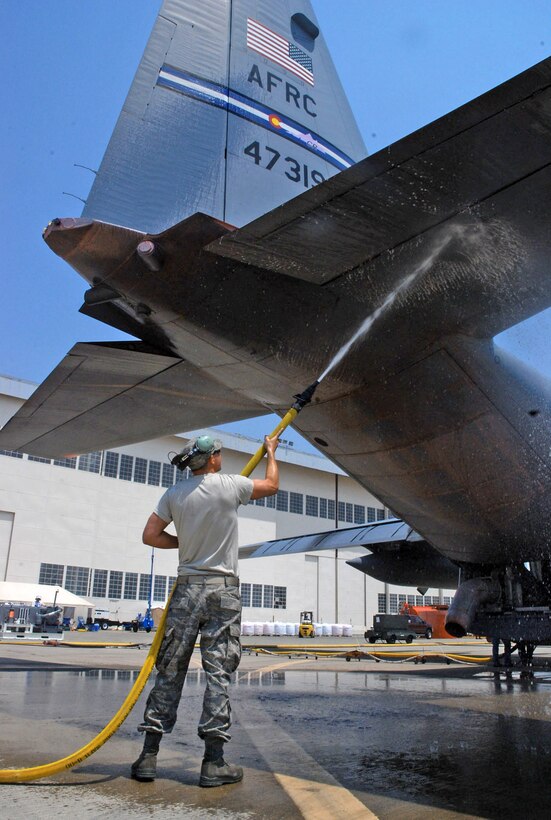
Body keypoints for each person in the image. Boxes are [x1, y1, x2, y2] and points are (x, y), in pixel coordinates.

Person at [131, 431, 280, 787]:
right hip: (222, 593)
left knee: (169, 668)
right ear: (212, 458)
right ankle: (213, 762)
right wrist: (271, 452)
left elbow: (150, 535)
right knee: (218, 673)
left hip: (185, 592)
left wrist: (186, 541)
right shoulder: (231, 485)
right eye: (220, 453)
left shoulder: (174, 494)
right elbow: (272, 485)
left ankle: (148, 757)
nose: (222, 456)